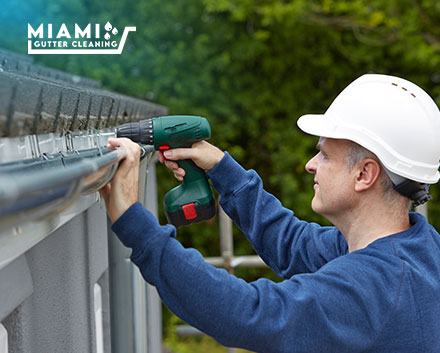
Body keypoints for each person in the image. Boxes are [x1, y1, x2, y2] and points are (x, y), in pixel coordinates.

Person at [100, 74, 440, 352]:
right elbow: (293, 245)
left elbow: (248, 314)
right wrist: (223, 169)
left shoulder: (375, 289)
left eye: (324, 156)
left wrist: (134, 220)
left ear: (364, 174)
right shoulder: (416, 249)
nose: (310, 165)